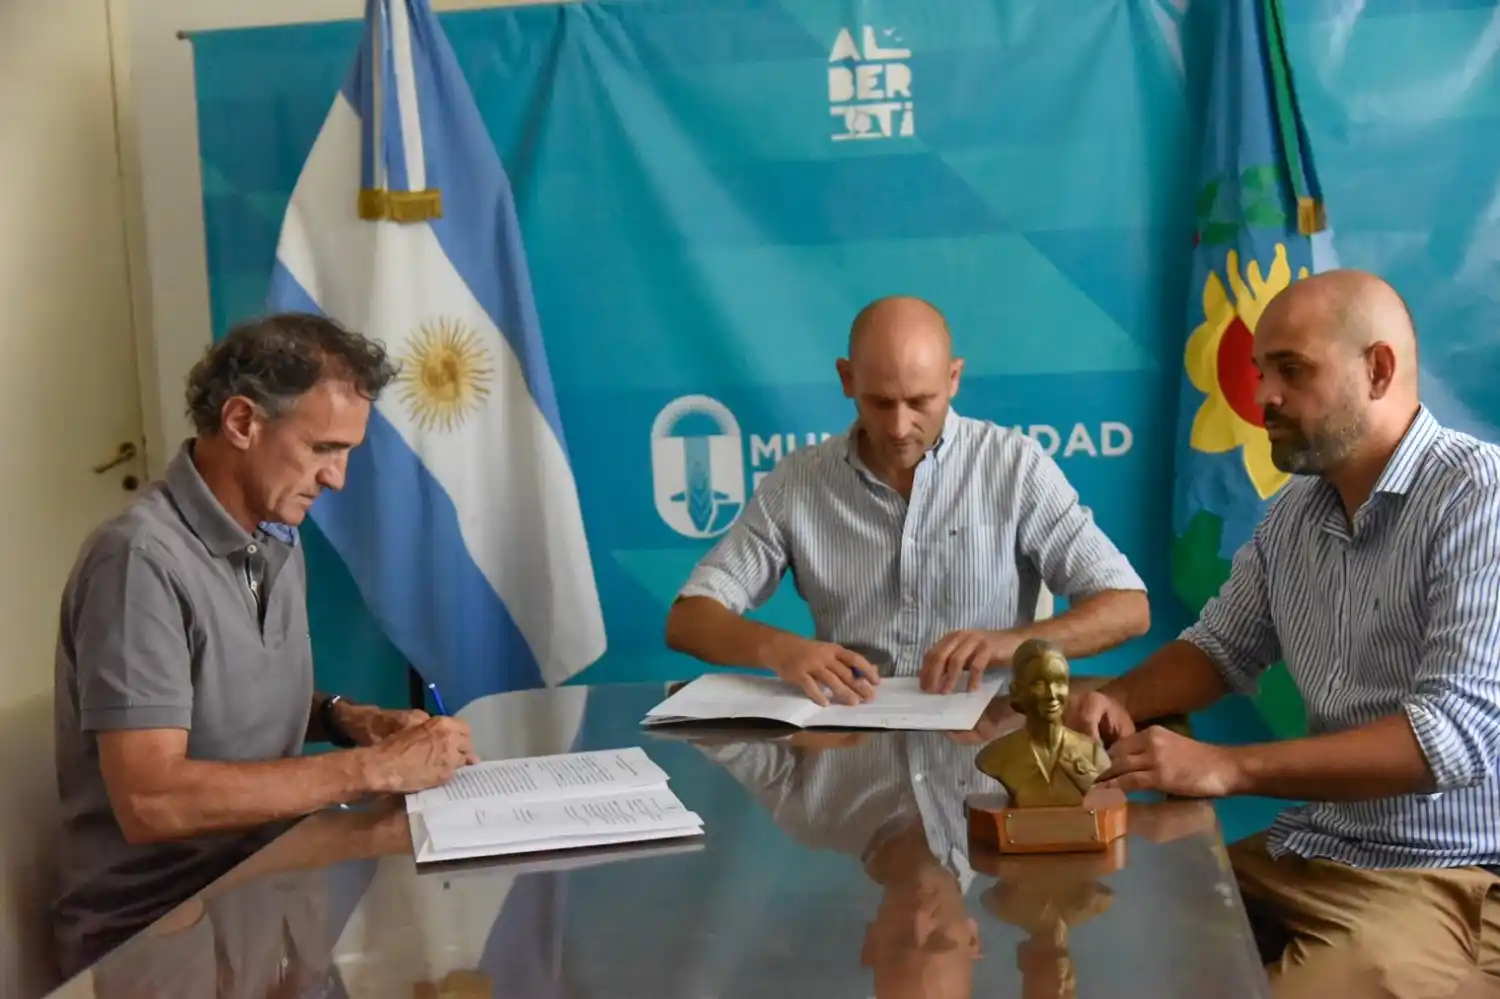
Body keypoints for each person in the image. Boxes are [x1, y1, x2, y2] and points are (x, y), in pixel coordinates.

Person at [1067, 270, 1500, 996]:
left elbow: (1450, 738)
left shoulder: (1478, 498)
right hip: (1318, 844)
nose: (1261, 397)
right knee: (1121, 934)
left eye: (1290, 371)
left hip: (1450, 875)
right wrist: (1117, 699)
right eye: (1259, 371)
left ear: (1379, 369)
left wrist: (1227, 767)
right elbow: (1219, 648)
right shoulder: (1297, 511)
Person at [52, 313, 478, 978]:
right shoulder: (138, 559)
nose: (336, 477)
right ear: (243, 422)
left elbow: (219, 689)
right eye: (322, 449)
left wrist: (347, 719)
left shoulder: (275, 534)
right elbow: (150, 800)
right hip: (157, 928)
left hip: (264, 884)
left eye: (347, 454)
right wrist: (375, 770)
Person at [665, 296, 1149, 705]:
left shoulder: (1014, 467)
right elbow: (688, 619)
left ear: (954, 379)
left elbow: (1128, 608)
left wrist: (1011, 645)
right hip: (852, 751)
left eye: (920, 402)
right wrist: (780, 649)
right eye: (879, 402)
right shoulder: (798, 482)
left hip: (986, 751)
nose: (899, 428)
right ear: (846, 378)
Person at [973, 638, 1110, 808]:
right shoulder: (995, 756)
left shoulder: (1093, 753)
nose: (1052, 694)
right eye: (1039, 684)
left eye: (1059, 682)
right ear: (1016, 691)